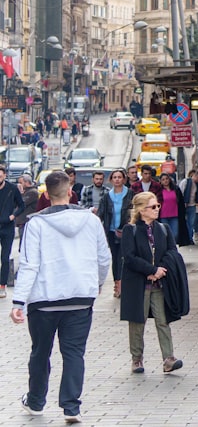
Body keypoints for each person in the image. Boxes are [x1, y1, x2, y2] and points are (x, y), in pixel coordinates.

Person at [10, 170, 111, 423]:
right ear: (70, 192)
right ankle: (71, 407)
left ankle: (35, 401)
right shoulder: (91, 221)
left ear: (46, 193)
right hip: (79, 296)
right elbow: (103, 257)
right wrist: (97, 283)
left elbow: (29, 264)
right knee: (74, 352)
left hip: (44, 300)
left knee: (40, 352)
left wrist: (18, 301)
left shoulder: (36, 224)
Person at [120, 191, 187, 375]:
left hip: (159, 284)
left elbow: (172, 252)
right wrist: (150, 270)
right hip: (138, 284)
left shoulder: (163, 229)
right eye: (153, 207)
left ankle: (168, 359)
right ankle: (137, 359)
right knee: (137, 321)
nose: (157, 209)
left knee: (163, 321)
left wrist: (159, 270)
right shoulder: (130, 230)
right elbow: (129, 257)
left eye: (158, 206)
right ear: (142, 210)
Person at [97, 169, 135, 299]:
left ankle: (125, 284)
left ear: (124, 179)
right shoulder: (107, 196)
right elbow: (100, 214)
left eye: (120, 177)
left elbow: (134, 212)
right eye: (115, 177)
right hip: (112, 232)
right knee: (116, 258)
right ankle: (117, 285)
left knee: (125, 258)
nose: (117, 179)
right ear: (111, 180)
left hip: (127, 232)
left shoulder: (130, 194)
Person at [0, 164, 26, 298]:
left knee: (5, 258)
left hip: (7, 227)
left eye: (0, 175)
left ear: (4, 175)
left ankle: (2, 286)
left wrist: (13, 215)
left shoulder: (12, 188)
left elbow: (21, 205)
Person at [156, 173, 190, 246]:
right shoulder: (159, 191)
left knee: (175, 234)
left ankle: (172, 247)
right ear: (160, 181)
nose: (165, 181)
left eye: (166, 179)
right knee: (165, 234)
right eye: (163, 180)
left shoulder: (176, 189)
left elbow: (180, 201)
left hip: (174, 215)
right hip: (163, 216)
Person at [179, 170, 198, 243]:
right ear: (196, 176)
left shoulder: (197, 185)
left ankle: (190, 238)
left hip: (192, 205)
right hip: (185, 205)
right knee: (185, 222)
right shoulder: (186, 182)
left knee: (191, 223)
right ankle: (186, 238)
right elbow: (180, 192)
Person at [15, 174, 39, 238]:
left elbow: (21, 203)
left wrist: (20, 193)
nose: (19, 185)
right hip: (21, 222)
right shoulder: (25, 192)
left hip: (26, 222)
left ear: (27, 182)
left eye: (21, 183)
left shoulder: (32, 192)